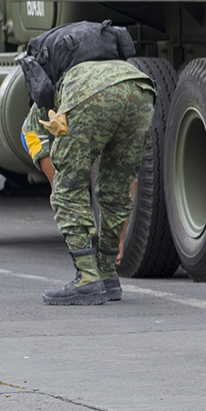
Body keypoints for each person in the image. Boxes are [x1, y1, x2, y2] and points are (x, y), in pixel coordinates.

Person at [28, 45, 155, 305]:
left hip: (90, 94)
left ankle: (87, 278)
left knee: (66, 190)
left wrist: (62, 192)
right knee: (115, 184)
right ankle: (108, 274)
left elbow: (46, 159)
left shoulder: (35, 115)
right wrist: (118, 241)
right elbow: (127, 180)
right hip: (140, 88)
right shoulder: (99, 65)